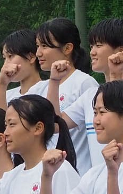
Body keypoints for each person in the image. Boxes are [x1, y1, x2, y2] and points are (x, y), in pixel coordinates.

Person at [52, 18, 123, 171]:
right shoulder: (91, 94)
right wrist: (54, 81)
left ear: (121, 51)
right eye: (91, 46)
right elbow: (56, 125)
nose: (92, 52)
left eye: (99, 45)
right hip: (100, 183)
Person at [0, 95, 81, 194]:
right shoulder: (10, 177)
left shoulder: (61, 170)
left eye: (12, 124)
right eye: (6, 125)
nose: (5, 133)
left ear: (38, 128)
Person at [37, 18, 99, 170]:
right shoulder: (42, 87)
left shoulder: (85, 83)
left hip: (79, 170)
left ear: (67, 48)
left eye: (45, 46)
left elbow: (57, 124)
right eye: (37, 46)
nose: (38, 53)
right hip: (53, 170)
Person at [0, 28, 45, 108]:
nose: (5, 64)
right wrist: (1, 85)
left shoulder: (49, 88)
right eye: (4, 58)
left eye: (10, 56)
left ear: (31, 57)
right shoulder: (5, 95)